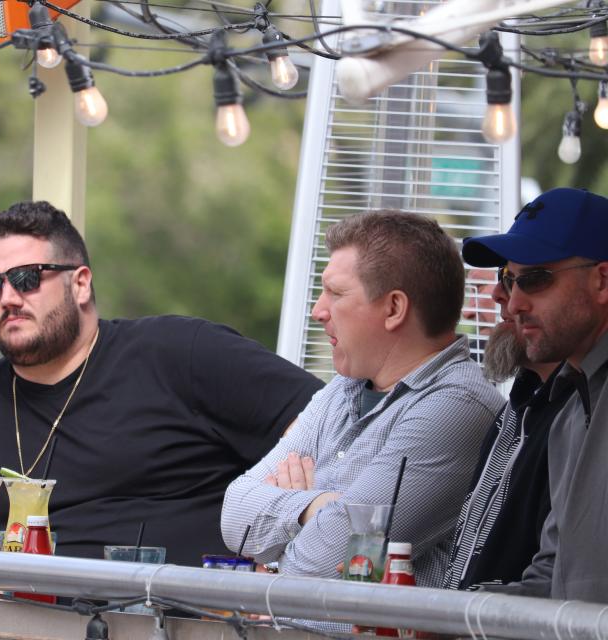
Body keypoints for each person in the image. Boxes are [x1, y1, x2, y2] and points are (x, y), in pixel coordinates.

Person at [0, 201, 324, 566]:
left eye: (25, 278)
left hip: (178, 620)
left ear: (80, 283)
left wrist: (290, 502)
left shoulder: (178, 353)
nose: (8, 298)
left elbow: (331, 422)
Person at [221, 210, 503, 587]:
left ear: (394, 309)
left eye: (336, 293)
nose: (318, 311)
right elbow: (233, 514)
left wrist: (274, 557)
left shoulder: (457, 407)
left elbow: (327, 563)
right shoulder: (342, 389)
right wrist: (318, 506)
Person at [461, 187, 608, 602]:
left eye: (536, 279)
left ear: (602, 281)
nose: (512, 302)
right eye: (509, 279)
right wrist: (444, 618)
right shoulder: (567, 414)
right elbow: (553, 577)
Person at [442, 268, 570, 590]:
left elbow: (554, 583)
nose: (502, 297)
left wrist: (449, 618)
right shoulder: (518, 403)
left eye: (519, 279)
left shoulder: (579, 414)